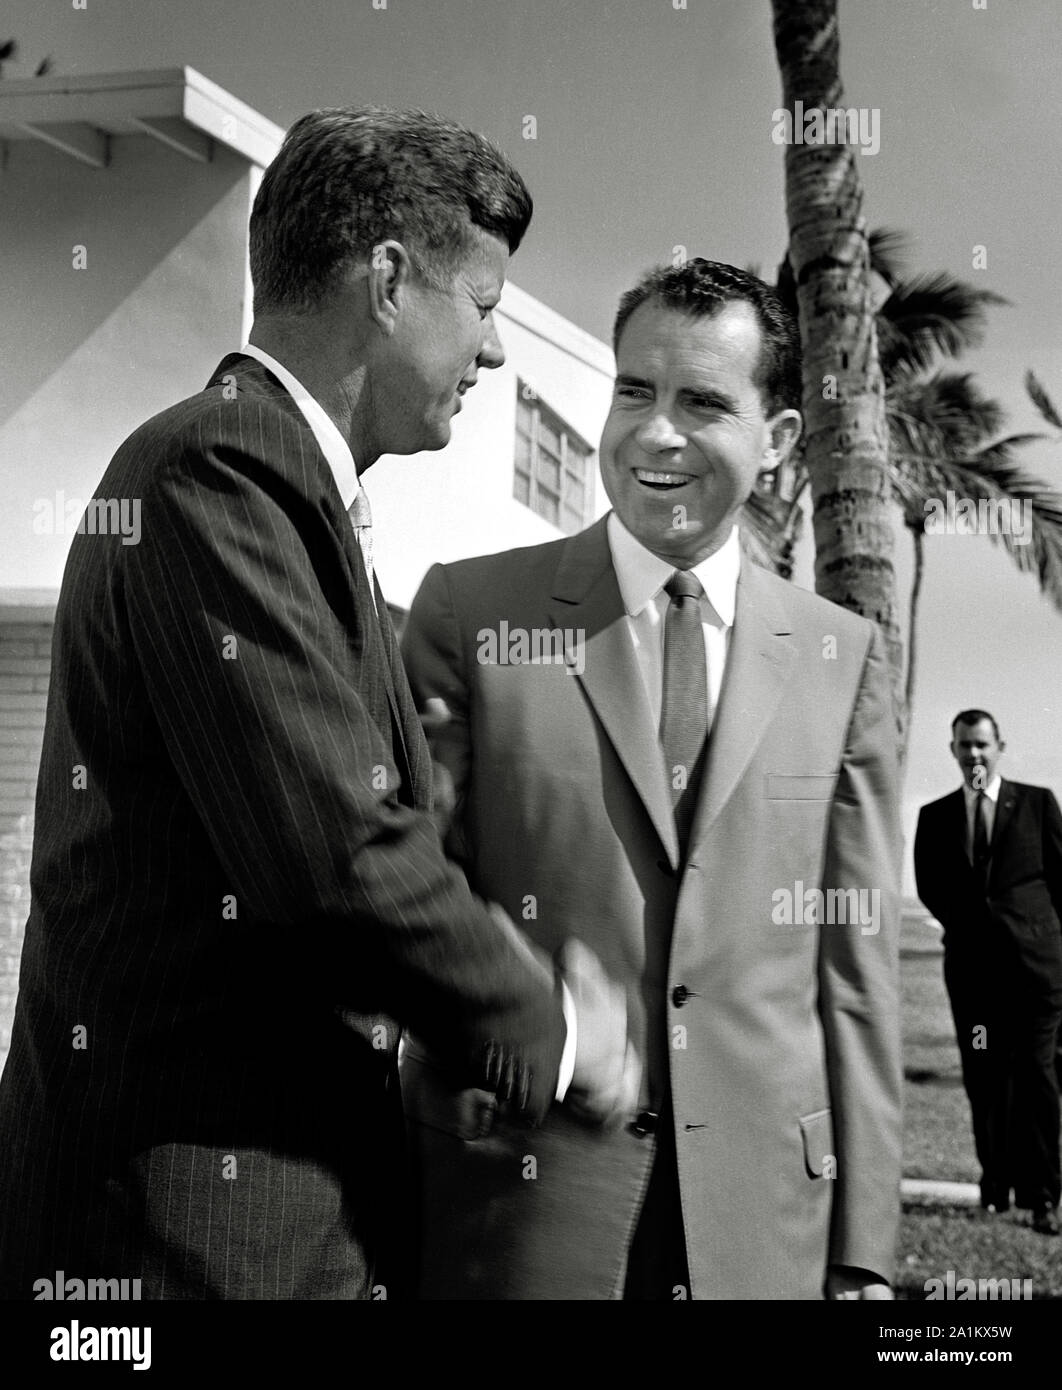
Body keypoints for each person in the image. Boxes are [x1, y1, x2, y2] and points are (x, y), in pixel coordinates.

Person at [0, 107, 635, 1301]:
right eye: (486, 306)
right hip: (176, 1245)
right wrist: (548, 1023)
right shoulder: (218, 471)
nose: (495, 354)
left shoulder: (291, 497)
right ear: (388, 279)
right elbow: (336, 853)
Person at [400, 259, 903, 1300]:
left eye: (703, 402)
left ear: (778, 440)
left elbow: (856, 978)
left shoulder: (841, 656)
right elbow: (411, 902)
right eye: (636, 390)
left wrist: (861, 1254)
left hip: (768, 1223)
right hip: (523, 1198)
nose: (656, 433)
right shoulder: (466, 613)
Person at [914, 710, 1062, 1235]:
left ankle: (1044, 1196)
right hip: (974, 979)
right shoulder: (934, 817)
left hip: (1036, 975)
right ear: (952, 750)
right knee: (985, 1077)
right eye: (963, 745)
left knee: (1038, 1077)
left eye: (981, 744)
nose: (973, 754)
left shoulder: (1039, 804)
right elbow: (929, 884)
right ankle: (995, 1188)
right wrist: (971, 927)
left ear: (1000, 746)